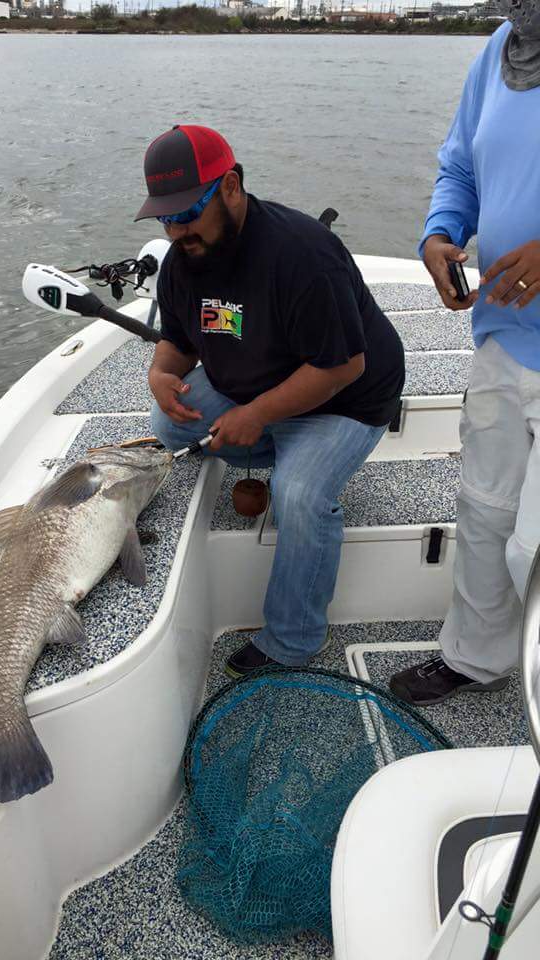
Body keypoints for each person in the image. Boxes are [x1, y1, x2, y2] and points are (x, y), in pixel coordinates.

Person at [135, 124, 405, 678]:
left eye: (189, 211)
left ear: (230, 186)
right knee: (168, 421)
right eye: (165, 216)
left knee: (300, 494)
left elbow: (342, 365)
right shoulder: (182, 260)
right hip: (254, 385)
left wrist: (255, 415)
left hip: (345, 398)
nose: (177, 229)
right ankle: (276, 450)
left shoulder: (302, 254)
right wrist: (160, 373)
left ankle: (292, 640)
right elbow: (179, 344)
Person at [390, 5, 540, 706]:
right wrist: (440, 234)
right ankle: (475, 658)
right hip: (504, 334)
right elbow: (460, 165)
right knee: (485, 510)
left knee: (530, 548)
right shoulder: (502, 50)